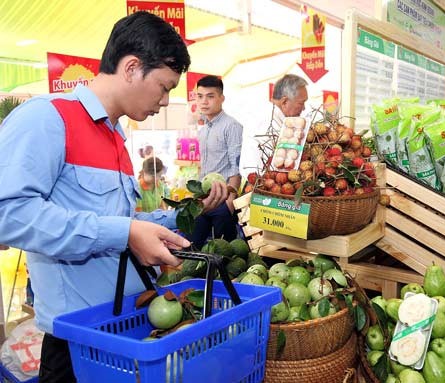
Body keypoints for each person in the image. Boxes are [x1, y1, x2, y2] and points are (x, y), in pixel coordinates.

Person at [0, 12, 228, 383]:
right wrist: (122, 233)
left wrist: (191, 210)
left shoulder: (117, 138)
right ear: (132, 68)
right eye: (164, 86)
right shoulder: (48, 118)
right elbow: (8, 214)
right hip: (77, 345)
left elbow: (126, 222)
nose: (167, 101)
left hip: (128, 331)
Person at [191, 75, 243, 249]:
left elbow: (236, 165)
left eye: (210, 96)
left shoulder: (232, 126)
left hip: (222, 202)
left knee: (223, 255)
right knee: (194, 248)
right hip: (203, 200)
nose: (204, 101)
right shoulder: (204, 129)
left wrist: (230, 202)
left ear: (222, 98)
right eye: (200, 96)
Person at [239, 73, 309, 178]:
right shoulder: (266, 121)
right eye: (301, 103)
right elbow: (277, 165)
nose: (303, 108)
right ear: (284, 101)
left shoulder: (275, 117)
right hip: (259, 186)